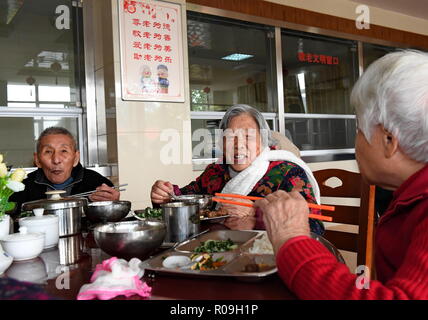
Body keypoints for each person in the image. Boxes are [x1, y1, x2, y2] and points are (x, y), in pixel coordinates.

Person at [255, 50, 428, 299]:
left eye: (359, 128)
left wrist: (291, 238)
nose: (356, 141)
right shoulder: (406, 197)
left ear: (390, 140)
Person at [151, 104, 324, 234]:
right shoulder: (216, 171)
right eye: (230, 137)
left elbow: (315, 226)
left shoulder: (288, 172)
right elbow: (185, 199)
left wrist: (256, 216)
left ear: (262, 140)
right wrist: (165, 195)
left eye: (248, 136)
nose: (238, 145)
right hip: (216, 255)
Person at [9, 127, 120, 219]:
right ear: (37, 160)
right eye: (48, 151)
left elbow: (111, 224)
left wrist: (113, 206)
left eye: (64, 151)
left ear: (76, 158)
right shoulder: (21, 189)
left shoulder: (96, 183)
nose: (56, 160)